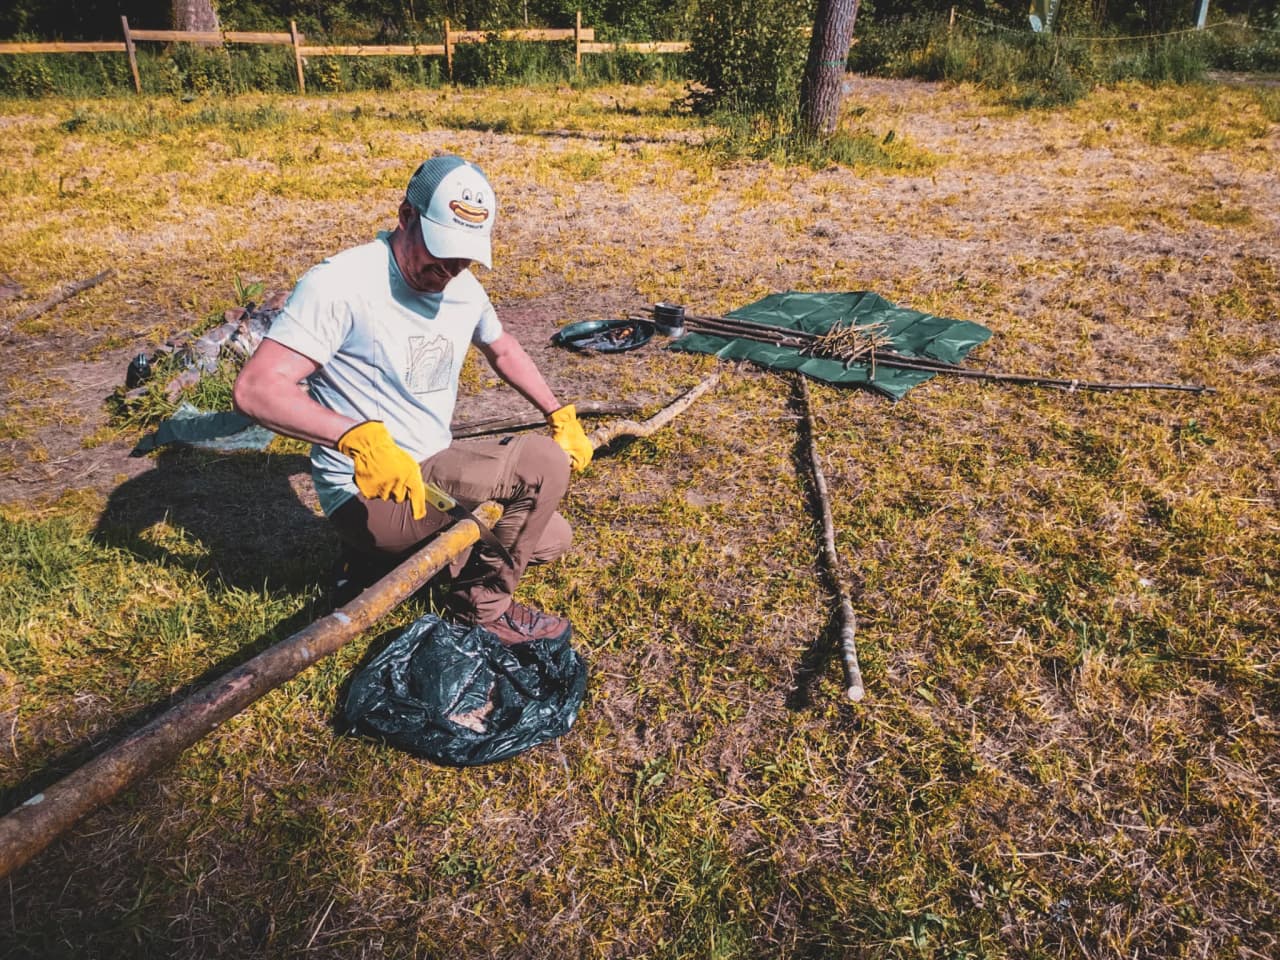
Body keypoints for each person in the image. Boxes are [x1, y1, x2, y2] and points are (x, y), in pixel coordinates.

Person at [233, 154, 593, 646]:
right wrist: (354, 437)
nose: (448, 269)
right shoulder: (343, 283)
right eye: (441, 250)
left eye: (463, 256)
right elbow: (257, 389)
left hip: (431, 468)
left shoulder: (463, 287)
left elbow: (502, 347)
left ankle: (379, 562)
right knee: (540, 465)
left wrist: (558, 413)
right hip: (368, 495)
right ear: (405, 217)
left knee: (551, 537)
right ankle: (481, 610)